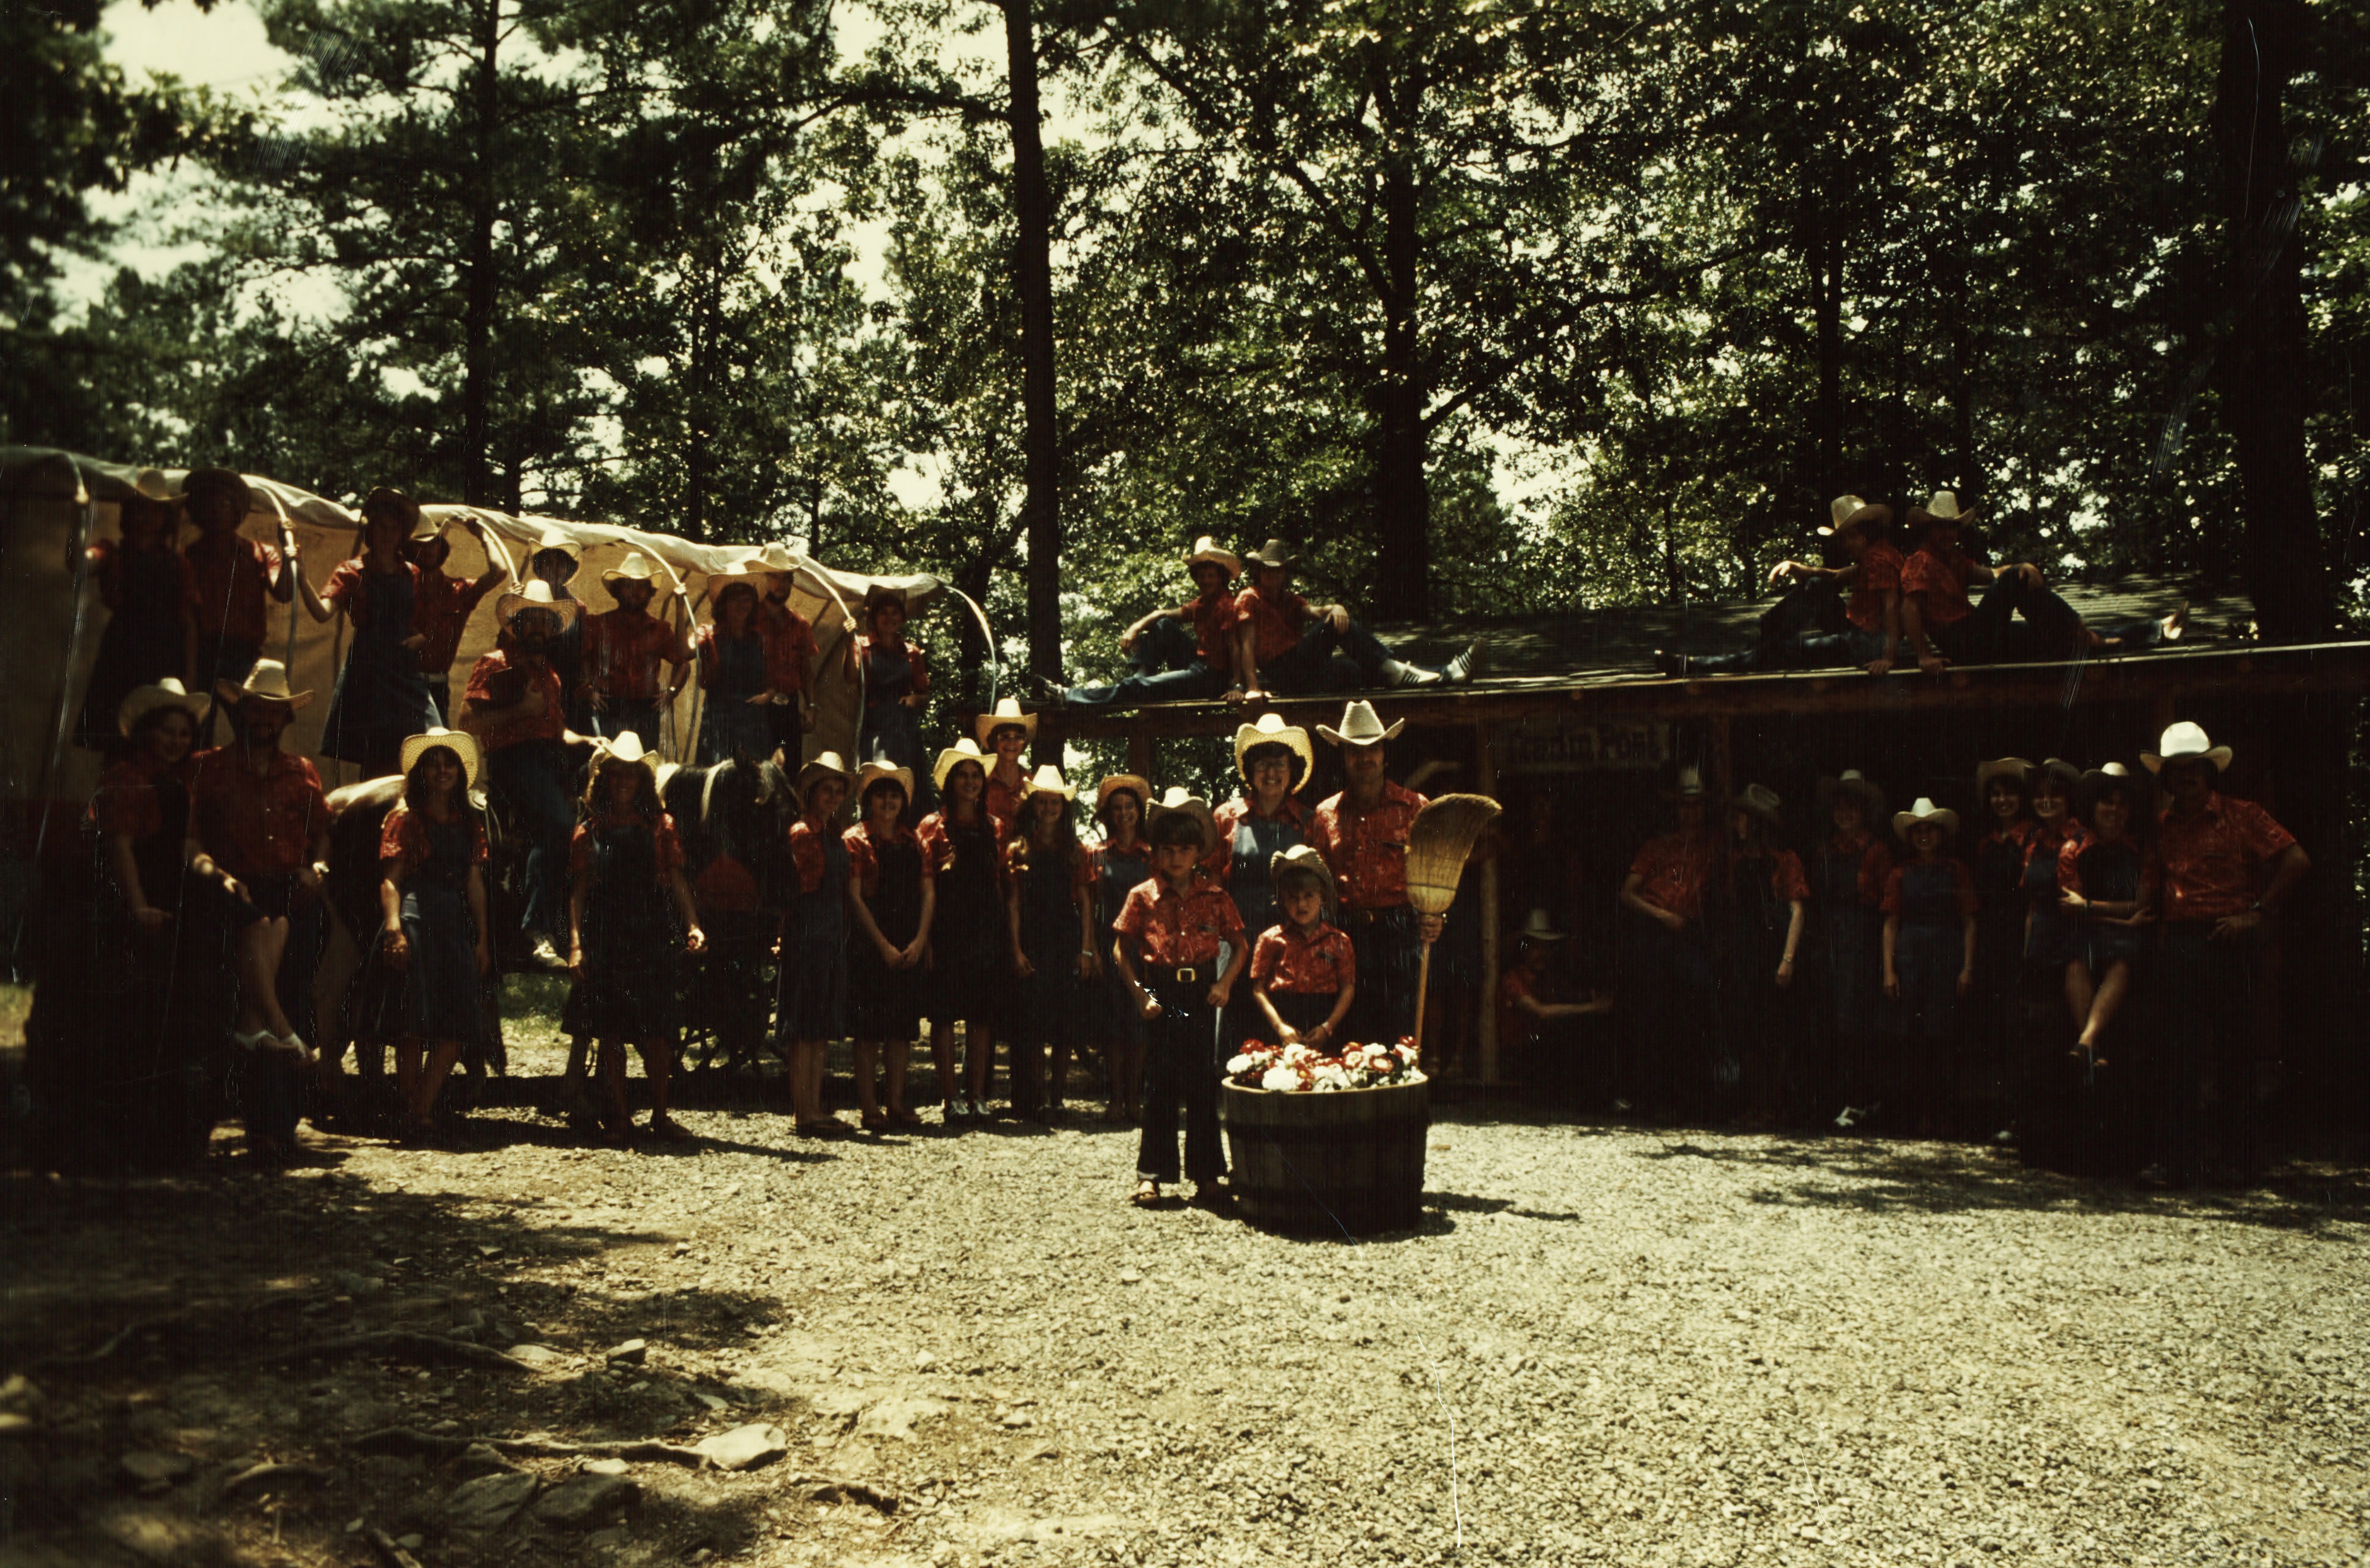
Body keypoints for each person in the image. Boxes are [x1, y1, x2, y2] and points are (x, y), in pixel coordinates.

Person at [78, 681, 289, 1165]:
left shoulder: (179, 783)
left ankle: (186, 1130)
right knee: (143, 1025)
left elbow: (191, 848)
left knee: (201, 1001)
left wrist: (221, 877)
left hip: (177, 895)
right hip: (140, 903)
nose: (175, 741)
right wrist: (137, 907)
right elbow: (122, 847)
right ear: (147, 734)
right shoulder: (128, 778)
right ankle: (136, 1137)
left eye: (183, 734)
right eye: (167, 732)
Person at [2140, 722, 2307, 1186]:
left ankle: (2242, 1163)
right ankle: (2174, 1162)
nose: (2187, 778)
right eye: (2178, 771)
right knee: (2178, 1055)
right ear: (2168, 777)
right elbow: (2151, 889)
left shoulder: (2244, 815)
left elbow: (2296, 860)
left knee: (2236, 1051)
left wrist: (2256, 913)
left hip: (2229, 940)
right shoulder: (2160, 826)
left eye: (2195, 769)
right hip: (2177, 943)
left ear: (2209, 771)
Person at [188, 660, 332, 1164]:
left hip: (292, 895)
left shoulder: (303, 771)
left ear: (285, 720)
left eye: (274, 712)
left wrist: (319, 867)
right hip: (230, 896)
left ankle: (277, 1128)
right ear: (240, 712)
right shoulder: (207, 767)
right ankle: (243, 1128)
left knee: (289, 1000)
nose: (264, 720)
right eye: (256, 710)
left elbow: (322, 833)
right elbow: (190, 840)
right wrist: (214, 874)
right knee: (239, 1005)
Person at [563, 732, 705, 1145]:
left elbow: (678, 879)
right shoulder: (588, 830)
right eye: (617, 774)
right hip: (606, 935)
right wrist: (576, 944)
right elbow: (579, 893)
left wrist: (693, 924)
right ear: (605, 779)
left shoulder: (662, 826)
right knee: (610, 1033)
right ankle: (621, 1118)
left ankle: (661, 1116)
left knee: (658, 1033)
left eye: (632, 775)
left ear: (643, 781)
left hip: (650, 933)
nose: (624, 781)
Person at [362, 728, 493, 1145]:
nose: (442, 770)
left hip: (453, 925)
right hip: (417, 920)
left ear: (460, 771)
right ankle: (413, 1114)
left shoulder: (469, 821)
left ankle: (421, 1106)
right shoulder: (406, 818)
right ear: (422, 771)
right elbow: (391, 881)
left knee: (457, 1026)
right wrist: (395, 928)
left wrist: (483, 938)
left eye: (449, 763)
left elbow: (474, 883)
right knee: (412, 1024)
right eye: (434, 763)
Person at [1113, 790, 1244, 1208]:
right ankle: (1151, 1175)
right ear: (1157, 851)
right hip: (1162, 992)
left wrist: (1224, 984)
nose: (1175, 858)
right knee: (1160, 1083)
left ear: (1198, 851)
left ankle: (1207, 1176)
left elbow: (1241, 944)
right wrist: (1141, 996)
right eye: (1167, 850)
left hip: (1202, 992)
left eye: (1184, 850)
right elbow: (1121, 949)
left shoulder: (1216, 896)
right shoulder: (1142, 895)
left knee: (1203, 1083)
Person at [1899, 492, 2183, 673]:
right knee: (2017, 579)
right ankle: (2089, 636)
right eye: (1941, 526)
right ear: (1928, 528)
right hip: (1962, 641)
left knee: (2059, 636)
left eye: (1952, 527)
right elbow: (1910, 609)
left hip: (1980, 639)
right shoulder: (1920, 562)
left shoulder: (1954, 560)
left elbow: (1992, 574)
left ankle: (2156, 630)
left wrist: (2026, 566)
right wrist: (1924, 657)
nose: (1948, 533)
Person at [463, 580, 583, 966]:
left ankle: (574, 926)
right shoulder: (495, 662)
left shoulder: (550, 673)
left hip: (549, 758)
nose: (539, 629)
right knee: (557, 825)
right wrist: (521, 713)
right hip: (513, 759)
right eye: (531, 620)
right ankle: (536, 929)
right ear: (517, 624)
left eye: (546, 623)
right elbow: (468, 722)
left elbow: (555, 727)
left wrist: (589, 742)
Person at [1309, 701, 1440, 1048]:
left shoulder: (1415, 807)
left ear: (1385, 752)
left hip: (1401, 928)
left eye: (1373, 749)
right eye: (1355, 751)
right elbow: (1314, 884)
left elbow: (1436, 872)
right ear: (1344, 755)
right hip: (1346, 931)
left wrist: (1436, 915)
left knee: (1401, 1029)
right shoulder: (1325, 815)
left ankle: (1401, 1101)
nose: (1365, 758)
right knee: (1352, 1030)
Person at [1656, 497, 1905, 676]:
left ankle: (1696, 666)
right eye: (1843, 538)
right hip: (1860, 633)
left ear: (1863, 534)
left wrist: (1888, 658)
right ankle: (1763, 643)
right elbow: (1838, 577)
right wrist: (1800, 569)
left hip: (1868, 645)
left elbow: (1893, 607)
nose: (1846, 544)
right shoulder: (1875, 555)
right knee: (1816, 585)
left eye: (1849, 537)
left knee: (1780, 653)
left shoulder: (1879, 561)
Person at [296, 487, 442, 778]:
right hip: (369, 672)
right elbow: (322, 614)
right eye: (381, 527)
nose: (388, 534)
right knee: (376, 758)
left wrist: (423, 638)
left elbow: (432, 622)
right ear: (370, 530)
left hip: (404, 671)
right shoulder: (352, 571)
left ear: (403, 534)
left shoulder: (412, 573)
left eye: (394, 528)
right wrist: (301, 576)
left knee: (430, 742)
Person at [1233, 539, 1482, 701]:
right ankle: (1397, 670)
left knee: (1359, 672)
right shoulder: (1249, 598)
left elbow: (1316, 612)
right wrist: (1252, 688)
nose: (1273, 575)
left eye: (1278, 569)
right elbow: (1246, 646)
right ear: (1259, 571)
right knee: (1340, 629)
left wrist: (1336, 607)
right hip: (1282, 671)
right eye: (1268, 569)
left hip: (1305, 675)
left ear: (1284, 572)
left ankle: (1448, 674)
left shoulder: (1290, 600)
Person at [1616, 763, 1723, 1118]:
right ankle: (1649, 1097)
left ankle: (1690, 1098)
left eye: (1696, 806)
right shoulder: (1658, 847)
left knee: (1695, 1008)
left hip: (1690, 934)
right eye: (1684, 806)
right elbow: (1628, 894)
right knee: (1653, 1012)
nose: (1690, 813)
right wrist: (1663, 917)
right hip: (1655, 932)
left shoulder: (1713, 845)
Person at [920, 737, 1010, 1119]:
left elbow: (1001, 884)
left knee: (980, 1017)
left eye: (977, 775)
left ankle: (977, 1097)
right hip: (946, 930)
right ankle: (949, 1096)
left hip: (985, 930)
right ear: (951, 781)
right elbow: (924, 885)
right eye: (964, 776)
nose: (971, 782)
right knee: (943, 1017)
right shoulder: (932, 826)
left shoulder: (996, 826)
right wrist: (925, 939)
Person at [1050, 537, 1245, 708]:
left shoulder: (1226, 606)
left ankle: (1070, 697)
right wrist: (1135, 628)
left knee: (1134, 688)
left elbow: (1236, 647)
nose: (1205, 581)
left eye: (1211, 576)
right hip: (1198, 666)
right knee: (1164, 625)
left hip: (1213, 679)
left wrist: (1237, 686)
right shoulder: (1202, 604)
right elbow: (1162, 614)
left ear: (1221, 578)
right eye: (1202, 576)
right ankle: (1142, 677)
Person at [844, 762, 934, 1132]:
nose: (888, 801)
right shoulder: (855, 839)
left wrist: (919, 941)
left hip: (908, 940)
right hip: (869, 943)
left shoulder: (915, 842)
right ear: (869, 800)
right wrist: (881, 945)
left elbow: (928, 893)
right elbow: (853, 898)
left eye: (894, 795)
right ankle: (869, 1107)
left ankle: (896, 1103)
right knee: (868, 1032)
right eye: (881, 795)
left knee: (901, 1030)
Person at [1881, 797, 1978, 1137]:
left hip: (1946, 958)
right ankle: (1918, 1115)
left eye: (1930, 830)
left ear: (1940, 834)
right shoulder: (1900, 873)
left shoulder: (1956, 870)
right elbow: (1891, 924)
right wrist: (1889, 971)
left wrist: (1967, 968)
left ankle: (1946, 1114)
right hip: (1910, 959)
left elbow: (1969, 922)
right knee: (1914, 1040)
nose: (1924, 837)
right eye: (1918, 831)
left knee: (1945, 1038)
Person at [1206, 714, 1315, 1006]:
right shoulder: (1227, 816)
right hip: (1235, 939)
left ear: (1292, 770)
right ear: (1250, 770)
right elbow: (1214, 880)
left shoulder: (1307, 821)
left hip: (1289, 938)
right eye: (1263, 764)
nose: (1271, 772)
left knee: (1284, 1019)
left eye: (1279, 764)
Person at [179, 467, 294, 743]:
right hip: (200, 654)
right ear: (199, 511)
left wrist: (289, 555)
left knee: (255, 733)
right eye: (210, 503)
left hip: (245, 658)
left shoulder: (260, 553)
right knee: (197, 733)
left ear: (238, 512)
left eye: (226, 503)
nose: (218, 510)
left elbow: (285, 592)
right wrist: (189, 673)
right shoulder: (187, 557)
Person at [2059, 763, 2159, 1075]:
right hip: (2088, 932)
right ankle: (2094, 1049)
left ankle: (2087, 1040)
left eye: (2122, 803)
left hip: (2123, 938)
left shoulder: (2142, 849)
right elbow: (2069, 907)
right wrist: (2121, 917)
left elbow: (2141, 906)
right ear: (2094, 806)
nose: (2115, 810)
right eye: (2107, 802)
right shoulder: (2074, 849)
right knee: (2076, 960)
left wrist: (2091, 907)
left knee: (2122, 957)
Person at [1005, 766, 1093, 1121]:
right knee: (1032, 1024)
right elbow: (1012, 902)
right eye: (1042, 802)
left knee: (1063, 1024)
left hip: (1065, 939)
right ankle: (1036, 1096)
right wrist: (1015, 949)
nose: (1048, 808)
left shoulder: (1076, 850)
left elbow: (1086, 902)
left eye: (1055, 802)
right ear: (1033, 805)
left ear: (1064, 806)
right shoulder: (1019, 848)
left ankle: (1058, 1097)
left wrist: (1088, 948)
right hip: (1031, 939)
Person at [76, 492, 196, 750]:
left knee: (158, 734)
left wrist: (189, 673)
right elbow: (80, 564)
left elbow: (188, 622)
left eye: (156, 510)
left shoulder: (178, 564)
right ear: (128, 513)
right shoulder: (112, 552)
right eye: (140, 509)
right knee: (115, 733)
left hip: (164, 653)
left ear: (165, 518)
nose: (147, 517)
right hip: (122, 650)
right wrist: (80, 517)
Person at [1719, 784, 1808, 1125]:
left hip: (1773, 948)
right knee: (1748, 1029)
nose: (1737, 823)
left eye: (1742, 817)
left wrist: (1787, 959)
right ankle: (1755, 1104)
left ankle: (1774, 1104)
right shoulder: (1737, 861)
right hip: (1745, 950)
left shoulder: (1784, 861)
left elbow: (1797, 911)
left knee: (1776, 1029)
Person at [779, 752, 853, 1135]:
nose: (834, 797)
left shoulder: (833, 834)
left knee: (820, 1026)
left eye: (840, 791)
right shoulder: (803, 833)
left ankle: (815, 1105)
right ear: (811, 792)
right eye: (828, 790)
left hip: (831, 934)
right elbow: (798, 891)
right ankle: (802, 1111)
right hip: (808, 933)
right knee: (804, 1026)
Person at [1968, 757, 2039, 1137]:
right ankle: (1999, 1112)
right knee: (1995, 1026)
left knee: (2021, 1028)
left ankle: (2023, 1115)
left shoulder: (2032, 839)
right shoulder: (1986, 844)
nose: (2002, 801)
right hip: (1992, 939)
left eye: (2009, 793)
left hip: (2022, 936)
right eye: (1995, 795)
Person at [1086, 774, 1154, 1122]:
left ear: (1139, 812)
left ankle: (1134, 1099)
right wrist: (1091, 950)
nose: (1124, 813)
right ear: (1108, 815)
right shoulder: (1097, 855)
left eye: (1129, 807)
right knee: (1113, 1027)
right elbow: (1090, 902)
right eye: (1117, 808)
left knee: (1140, 1025)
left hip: (1145, 948)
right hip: (1109, 945)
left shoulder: (1152, 855)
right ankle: (1114, 1098)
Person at [1247, 843, 1356, 1049]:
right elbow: (1258, 989)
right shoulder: (1270, 939)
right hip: (1282, 1018)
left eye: (1309, 896)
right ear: (1282, 901)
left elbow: (1348, 988)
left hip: (1324, 1017)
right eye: (1293, 898)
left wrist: (1327, 1027)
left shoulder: (1339, 941)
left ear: (1322, 898)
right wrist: (1280, 1027)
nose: (1302, 905)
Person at [583, 554, 690, 750]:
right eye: (628, 585)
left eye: (642, 586)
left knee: (644, 765)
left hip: (645, 711)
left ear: (650, 594)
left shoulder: (660, 630)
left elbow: (683, 662)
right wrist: (588, 689)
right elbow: (582, 659)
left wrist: (671, 692)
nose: (636, 592)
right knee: (605, 762)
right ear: (617, 591)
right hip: (608, 707)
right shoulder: (598, 625)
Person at [407, 512, 507, 723]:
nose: (428, 549)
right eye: (420, 544)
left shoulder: (459, 591)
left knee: (435, 749)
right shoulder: (398, 587)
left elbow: (500, 571)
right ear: (410, 550)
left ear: (442, 546)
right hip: (399, 683)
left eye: (434, 542)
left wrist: (482, 536)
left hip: (437, 686)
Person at [1494, 910, 1611, 1089]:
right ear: (1525, 950)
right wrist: (1593, 1007)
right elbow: (1541, 1012)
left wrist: (1591, 997)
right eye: (1537, 948)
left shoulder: (1548, 978)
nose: (1543, 954)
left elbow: (1569, 997)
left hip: (1539, 1051)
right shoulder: (1513, 980)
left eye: (1547, 948)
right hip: (1517, 1054)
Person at [854, 586, 933, 810]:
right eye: (883, 613)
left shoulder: (911, 652)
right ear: (874, 618)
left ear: (902, 618)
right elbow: (851, 676)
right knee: (878, 781)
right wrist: (847, 640)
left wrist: (913, 700)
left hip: (904, 729)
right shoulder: (863, 647)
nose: (889, 618)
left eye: (895, 613)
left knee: (908, 786)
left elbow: (924, 695)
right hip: (875, 728)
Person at [694, 569, 781, 764]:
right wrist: (680, 607)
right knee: (718, 774)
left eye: (747, 600)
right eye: (735, 600)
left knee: (752, 777)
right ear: (724, 604)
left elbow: (773, 680)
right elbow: (683, 653)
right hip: (719, 719)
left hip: (752, 721)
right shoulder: (710, 635)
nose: (742, 606)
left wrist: (768, 696)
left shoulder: (760, 640)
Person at [750, 543, 827, 753]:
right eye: (775, 577)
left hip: (788, 709)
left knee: (788, 773)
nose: (781, 585)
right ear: (763, 579)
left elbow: (806, 671)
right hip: (755, 708)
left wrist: (811, 707)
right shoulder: (748, 619)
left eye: (786, 579)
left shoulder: (800, 625)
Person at [524, 526, 588, 714]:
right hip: (532, 686)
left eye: (560, 564)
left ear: (568, 569)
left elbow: (583, 651)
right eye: (548, 563)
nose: (554, 570)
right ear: (539, 566)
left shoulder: (578, 608)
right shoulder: (524, 603)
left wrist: (586, 680)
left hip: (569, 690)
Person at [975, 698, 1036, 830]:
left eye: (1019, 737)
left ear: (1024, 744)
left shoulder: (1034, 784)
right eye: (1004, 737)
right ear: (993, 742)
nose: (1012, 743)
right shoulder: (981, 782)